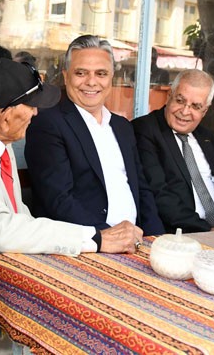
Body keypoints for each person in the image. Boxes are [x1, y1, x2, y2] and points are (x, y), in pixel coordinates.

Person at [0, 58, 142, 328]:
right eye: (31, 106)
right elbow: (1, 230)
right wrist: (95, 239)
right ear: (5, 114)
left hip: (2, 287)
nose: (36, 113)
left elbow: (19, 216)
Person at [25, 35, 164, 235]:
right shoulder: (48, 124)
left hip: (136, 240)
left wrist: (156, 237)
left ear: (111, 77)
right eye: (81, 73)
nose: (91, 82)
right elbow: (58, 200)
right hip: (87, 242)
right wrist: (106, 237)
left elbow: (142, 190)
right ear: (66, 76)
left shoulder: (122, 127)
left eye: (101, 73)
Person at [132, 69, 214, 233]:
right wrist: (209, 230)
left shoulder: (206, 137)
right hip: (180, 235)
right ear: (169, 96)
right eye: (180, 100)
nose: (185, 112)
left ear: (205, 110)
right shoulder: (145, 130)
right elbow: (159, 194)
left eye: (196, 106)